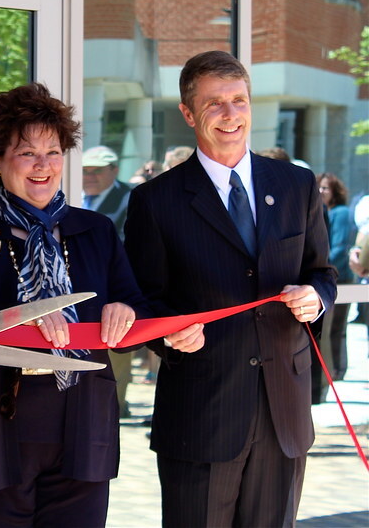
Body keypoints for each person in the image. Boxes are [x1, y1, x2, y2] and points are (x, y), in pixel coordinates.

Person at [123, 50, 336, 527]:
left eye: (238, 100)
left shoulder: (297, 184)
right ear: (187, 113)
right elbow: (143, 299)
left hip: (284, 409)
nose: (230, 114)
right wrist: (166, 335)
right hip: (202, 412)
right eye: (214, 103)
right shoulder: (155, 201)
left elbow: (323, 272)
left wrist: (315, 296)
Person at [0, 83, 154, 527]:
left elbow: (134, 305)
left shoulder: (97, 230)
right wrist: (25, 318)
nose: (43, 165)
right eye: (27, 153)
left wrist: (126, 311)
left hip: (82, 418)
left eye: (53, 152)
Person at [81, 144, 135, 418]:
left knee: (116, 357)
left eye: (97, 171)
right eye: (85, 171)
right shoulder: (70, 194)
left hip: (116, 292)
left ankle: (115, 406)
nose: (89, 176)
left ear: (114, 170)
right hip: (80, 298)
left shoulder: (130, 199)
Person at [313, 173, 355, 400]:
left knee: (336, 327)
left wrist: (322, 268)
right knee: (329, 329)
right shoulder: (324, 211)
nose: (321, 192)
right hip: (328, 276)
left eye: (326, 188)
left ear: (335, 190)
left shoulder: (340, 213)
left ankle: (337, 370)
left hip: (338, 277)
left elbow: (339, 246)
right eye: (319, 188)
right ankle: (334, 372)